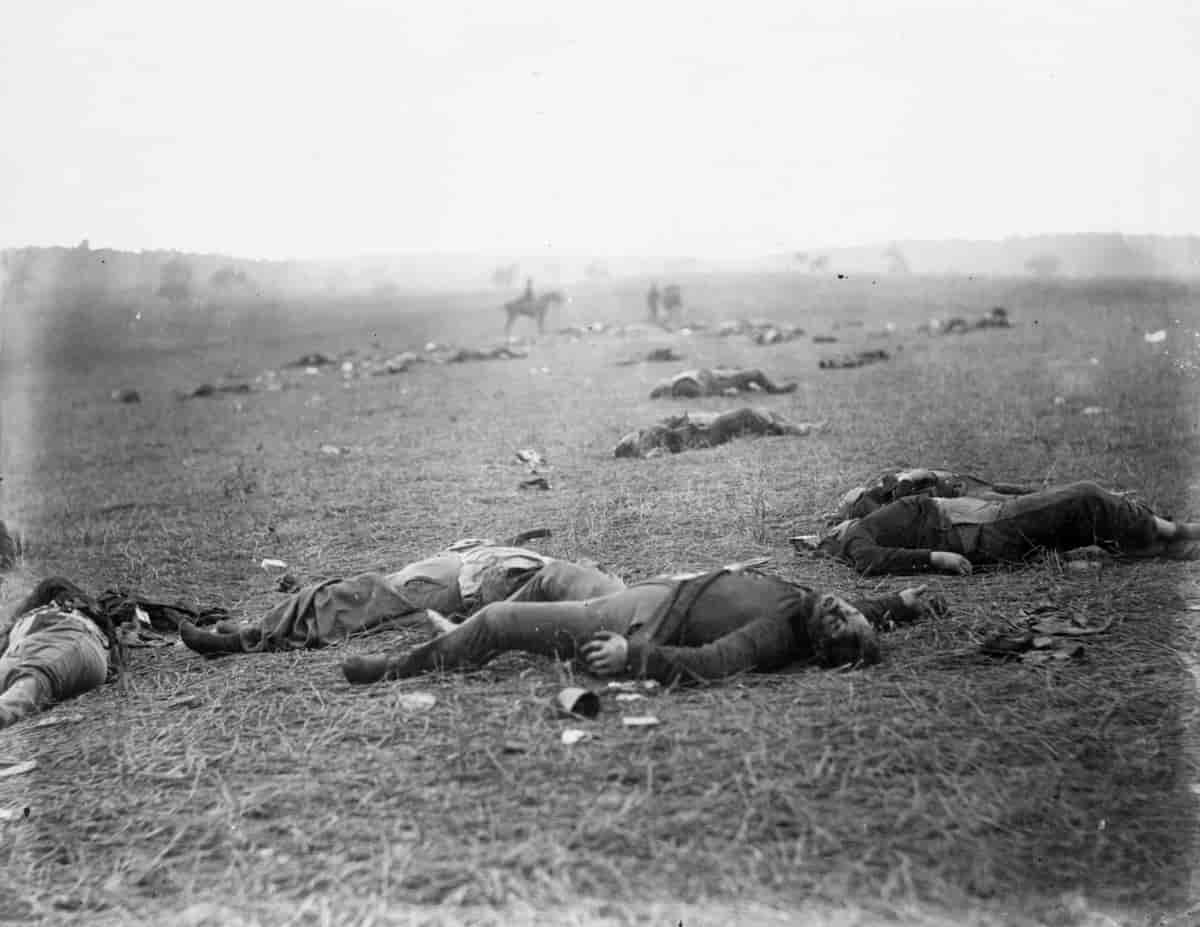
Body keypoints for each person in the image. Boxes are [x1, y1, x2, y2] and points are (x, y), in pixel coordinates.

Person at [342, 563, 946, 686]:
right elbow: (858, 616)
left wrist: (634, 660)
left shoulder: (779, 632)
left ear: (821, 642)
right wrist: (901, 603)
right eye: (851, 609)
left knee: (501, 621)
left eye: (843, 618)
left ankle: (399, 668)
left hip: (639, 619)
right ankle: (457, 631)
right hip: (652, 590)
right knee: (555, 573)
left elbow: (712, 664)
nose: (843, 606)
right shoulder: (818, 608)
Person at [178, 538, 625, 655]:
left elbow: (509, 610)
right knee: (344, 597)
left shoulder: (582, 593)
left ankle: (240, 639)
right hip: (459, 569)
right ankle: (252, 629)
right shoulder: (585, 585)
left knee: (341, 602)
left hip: (451, 584)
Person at [819, 480, 1200, 575]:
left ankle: (1170, 545)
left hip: (984, 522)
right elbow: (870, 561)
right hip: (983, 529)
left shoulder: (869, 522)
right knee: (1087, 496)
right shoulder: (854, 536)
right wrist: (938, 558)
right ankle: (1179, 532)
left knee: (1084, 517)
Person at [1, 577, 122, 730]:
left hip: (68, 634)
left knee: (37, 674)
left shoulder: (66, 607)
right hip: (29, 643)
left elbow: (53, 584)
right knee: (35, 674)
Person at [828, 467, 1036, 523]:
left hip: (948, 486)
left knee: (998, 492)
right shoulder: (873, 504)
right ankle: (1037, 494)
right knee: (1000, 497)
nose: (841, 500)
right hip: (952, 493)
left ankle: (1035, 492)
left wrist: (910, 480)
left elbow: (920, 476)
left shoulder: (884, 488)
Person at [614, 407, 825, 459]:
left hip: (702, 433)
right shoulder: (646, 439)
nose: (634, 433)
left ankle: (797, 427)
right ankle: (798, 429)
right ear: (630, 444)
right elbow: (653, 452)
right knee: (745, 414)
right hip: (703, 438)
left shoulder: (648, 436)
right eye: (628, 438)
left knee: (754, 415)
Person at [648, 367, 798, 399]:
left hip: (711, 378)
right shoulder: (680, 383)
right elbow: (703, 391)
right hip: (711, 380)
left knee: (745, 376)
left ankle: (751, 387)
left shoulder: (676, 380)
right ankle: (775, 389)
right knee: (755, 373)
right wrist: (722, 393)